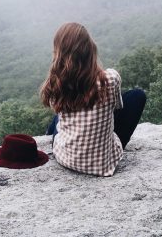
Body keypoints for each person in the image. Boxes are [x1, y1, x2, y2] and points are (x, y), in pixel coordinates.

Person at [40, 22, 146, 176]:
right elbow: (117, 108)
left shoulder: (56, 84)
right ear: (90, 48)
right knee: (137, 96)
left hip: (66, 158)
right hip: (103, 164)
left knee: (58, 117)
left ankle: (48, 134)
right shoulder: (111, 78)